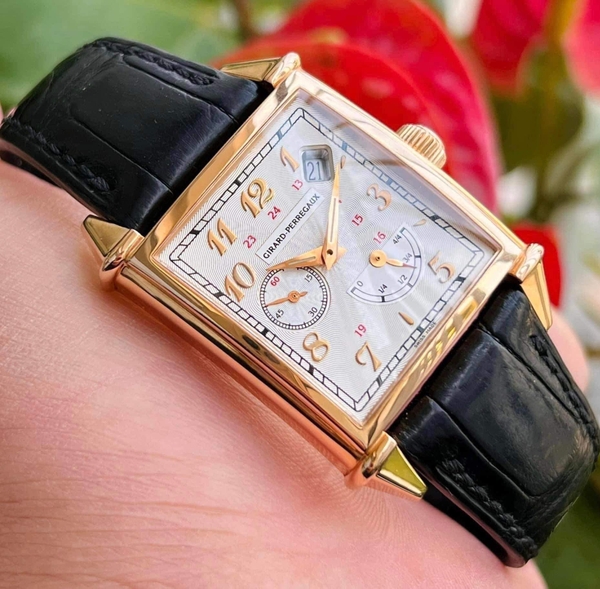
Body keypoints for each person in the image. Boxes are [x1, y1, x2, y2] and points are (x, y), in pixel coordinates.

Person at [1, 105, 579, 587]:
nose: (330, 256)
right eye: (327, 255)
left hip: (449, 317)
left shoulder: (259, 117)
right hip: (388, 389)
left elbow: (320, 163)